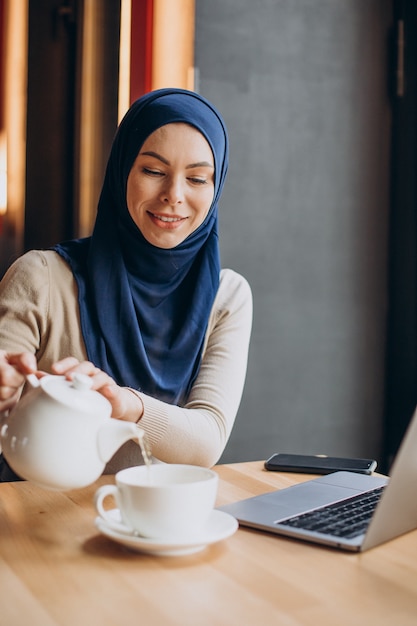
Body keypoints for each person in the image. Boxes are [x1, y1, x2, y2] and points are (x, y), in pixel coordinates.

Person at [0, 88, 252, 480]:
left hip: (156, 525)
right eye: (153, 171)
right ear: (122, 172)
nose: (174, 195)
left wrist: (123, 403)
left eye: (198, 178)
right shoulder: (41, 278)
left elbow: (207, 441)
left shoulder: (228, 297)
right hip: (39, 522)